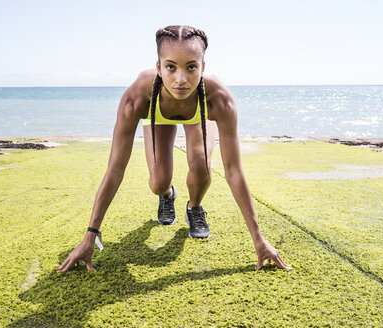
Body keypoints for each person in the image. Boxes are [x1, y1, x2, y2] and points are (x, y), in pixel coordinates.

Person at [57, 25, 291, 272]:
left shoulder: (219, 99)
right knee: (157, 183)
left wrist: (259, 238)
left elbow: (233, 171)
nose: (181, 79)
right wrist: (90, 234)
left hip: (198, 113)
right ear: (158, 67)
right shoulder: (136, 97)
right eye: (171, 67)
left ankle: (194, 207)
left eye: (191, 67)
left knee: (201, 164)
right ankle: (168, 195)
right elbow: (115, 169)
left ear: (203, 66)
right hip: (158, 112)